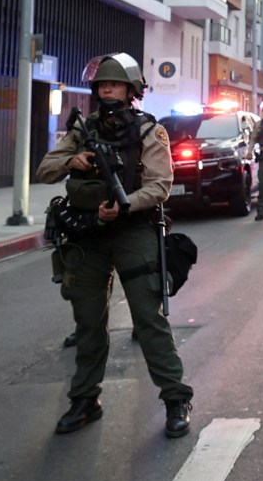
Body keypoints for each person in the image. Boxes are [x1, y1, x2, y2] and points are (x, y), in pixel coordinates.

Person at [35, 54, 193, 440]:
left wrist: (125, 205)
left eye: (115, 85)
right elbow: (45, 170)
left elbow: (160, 185)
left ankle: (175, 398)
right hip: (87, 233)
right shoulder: (82, 130)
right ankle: (85, 399)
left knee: (148, 319)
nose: (107, 90)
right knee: (88, 322)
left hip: (132, 230)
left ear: (131, 90)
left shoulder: (148, 131)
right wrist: (74, 161)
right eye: (103, 84)